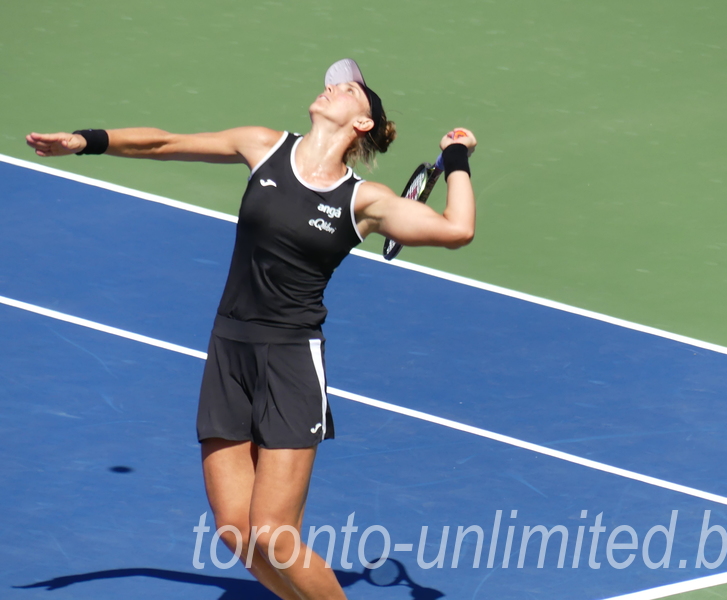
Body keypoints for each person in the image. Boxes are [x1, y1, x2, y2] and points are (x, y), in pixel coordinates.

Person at [26, 58, 476, 600]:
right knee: (238, 533)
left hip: (289, 361)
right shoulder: (262, 145)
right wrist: (84, 141)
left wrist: (455, 158)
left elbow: (457, 230)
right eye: (333, 82)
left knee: (274, 534)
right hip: (229, 349)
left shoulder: (365, 202)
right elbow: (162, 144)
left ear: (362, 123)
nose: (333, 87)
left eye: (349, 88)